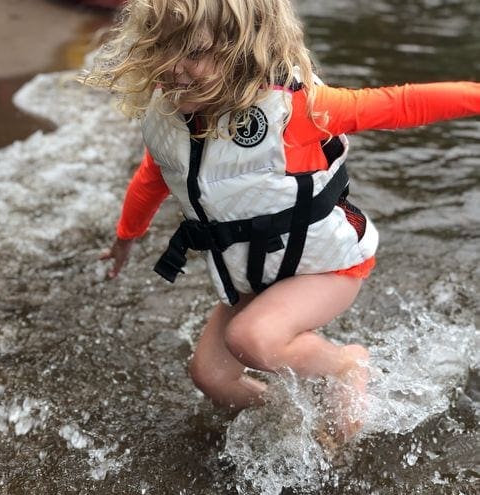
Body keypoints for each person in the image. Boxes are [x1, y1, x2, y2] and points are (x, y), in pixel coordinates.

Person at [83, 0, 480, 448]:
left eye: (193, 53)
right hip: (257, 273)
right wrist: (125, 239)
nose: (173, 67)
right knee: (211, 376)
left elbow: (402, 103)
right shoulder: (168, 121)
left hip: (326, 268)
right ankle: (293, 417)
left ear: (242, 51)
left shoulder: (297, 109)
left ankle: (347, 364)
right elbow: (150, 180)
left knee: (251, 337)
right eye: (161, 48)